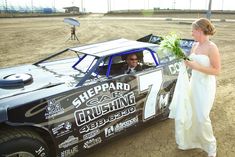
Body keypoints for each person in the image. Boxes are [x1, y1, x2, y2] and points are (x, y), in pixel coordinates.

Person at [169, 18, 221, 157]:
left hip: (205, 86)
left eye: (193, 30)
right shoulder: (194, 46)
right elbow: (191, 63)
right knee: (192, 113)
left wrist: (195, 66)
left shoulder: (212, 47)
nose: (191, 33)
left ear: (199, 30)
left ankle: (211, 147)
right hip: (194, 83)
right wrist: (184, 59)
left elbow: (217, 71)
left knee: (202, 117)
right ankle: (190, 141)